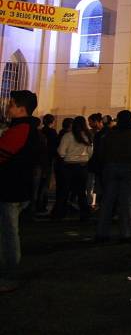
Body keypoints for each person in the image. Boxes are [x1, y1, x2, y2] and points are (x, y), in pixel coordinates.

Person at [0, 90, 42, 293]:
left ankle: (9, 275)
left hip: (10, 188)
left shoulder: (20, 129)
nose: (8, 107)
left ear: (21, 108)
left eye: (12, 104)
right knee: (8, 232)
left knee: (8, 234)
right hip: (19, 187)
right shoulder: (30, 129)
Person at [95, 110, 131, 242]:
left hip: (111, 167)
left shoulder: (110, 133)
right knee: (125, 201)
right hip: (129, 168)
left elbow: (101, 151)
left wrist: (104, 165)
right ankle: (126, 232)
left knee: (108, 201)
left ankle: (102, 232)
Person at [52, 116, 93, 221]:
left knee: (64, 190)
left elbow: (61, 152)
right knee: (81, 191)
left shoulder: (68, 136)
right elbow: (90, 152)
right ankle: (85, 213)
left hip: (69, 166)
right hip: (83, 166)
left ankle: (60, 213)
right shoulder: (87, 136)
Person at [33, 114, 59, 215]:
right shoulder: (51, 132)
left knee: (36, 185)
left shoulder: (40, 132)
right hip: (47, 161)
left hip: (37, 161)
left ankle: (34, 206)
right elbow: (54, 147)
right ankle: (41, 205)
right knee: (44, 185)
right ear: (52, 122)